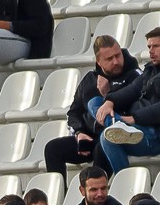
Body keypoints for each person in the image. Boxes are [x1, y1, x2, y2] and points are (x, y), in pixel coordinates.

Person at [94, 26, 160, 173]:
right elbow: (131, 90)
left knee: (107, 138)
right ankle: (117, 125)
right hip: (142, 128)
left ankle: (125, 182)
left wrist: (134, 118)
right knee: (95, 102)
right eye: (149, 46)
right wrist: (110, 101)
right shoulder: (150, 70)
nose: (151, 51)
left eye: (156, 46)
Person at [45, 37, 140, 179]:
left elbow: (135, 108)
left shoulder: (135, 76)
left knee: (103, 144)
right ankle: (56, 196)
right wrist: (79, 133)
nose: (116, 61)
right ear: (98, 61)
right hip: (91, 137)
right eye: (109, 59)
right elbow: (74, 112)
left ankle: (96, 195)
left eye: (118, 55)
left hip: (118, 137)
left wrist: (108, 94)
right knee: (53, 149)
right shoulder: (90, 80)